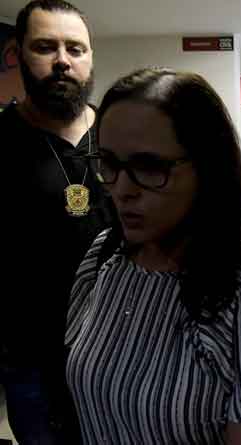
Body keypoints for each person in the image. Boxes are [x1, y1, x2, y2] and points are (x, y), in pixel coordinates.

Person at [64, 68, 241, 444]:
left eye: (149, 167)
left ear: (207, 169)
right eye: (109, 163)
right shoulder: (104, 254)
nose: (122, 190)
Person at [0, 2, 113, 443]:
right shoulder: (5, 141)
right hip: (35, 363)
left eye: (75, 48)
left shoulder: (121, 133)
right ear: (18, 54)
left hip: (126, 348)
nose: (63, 59)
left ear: (90, 58)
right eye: (45, 47)